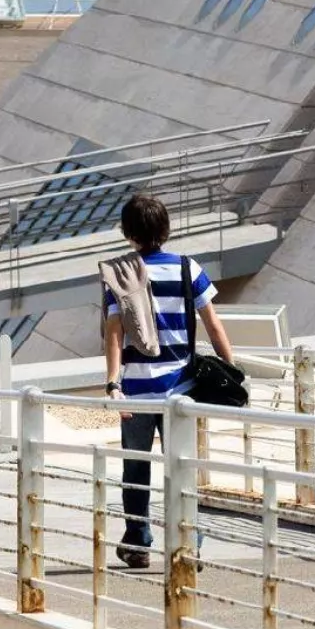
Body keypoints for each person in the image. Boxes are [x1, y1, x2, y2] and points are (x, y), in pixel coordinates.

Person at [102, 194, 234, 569]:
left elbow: (113, 335)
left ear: (128, 233)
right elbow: (213, 324)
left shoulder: (120, 274)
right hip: (182, 390)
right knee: (182, 466)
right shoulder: (188, 268)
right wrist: (232, 370)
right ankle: (188, 543)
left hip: (139, 390)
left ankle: (137, 542)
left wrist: (114, 383)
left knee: (136, 467)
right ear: (166, 228)